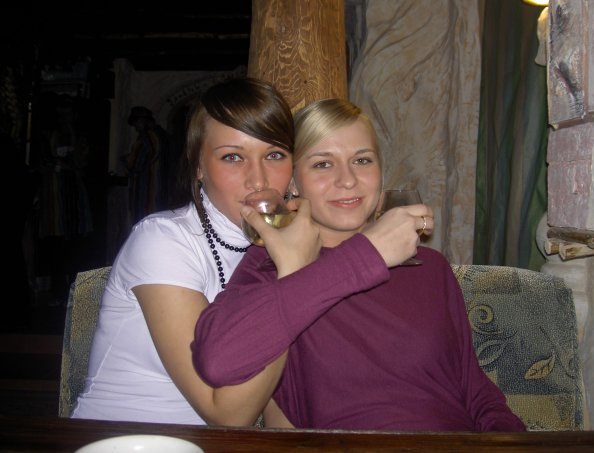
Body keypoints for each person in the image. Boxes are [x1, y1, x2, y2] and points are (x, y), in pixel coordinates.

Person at [192, 98, 526, 432]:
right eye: (323, 164)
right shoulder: (274, 265)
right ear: (293, 182)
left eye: (362, 160)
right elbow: (219, 362)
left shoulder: (429, 266)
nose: (348, 180)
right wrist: (368, 256)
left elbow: (473, 387)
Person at [71, 77, 303, 425]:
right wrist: (295, 277)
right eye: (233, 157)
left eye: (274, 155)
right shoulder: (162, 240)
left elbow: (284, 399)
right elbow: (226, 414)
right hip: (125, 437)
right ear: (199, 167)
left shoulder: (282, 244)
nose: (258, 180)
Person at [124, 106, 172, 224]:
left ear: (142, 121)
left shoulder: (147, 138)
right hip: (164, 192)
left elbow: (133, 164)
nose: (136, 128)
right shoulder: (164, 136)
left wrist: (126, 159)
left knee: (144, 224)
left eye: (136, 124)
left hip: (146, 193)